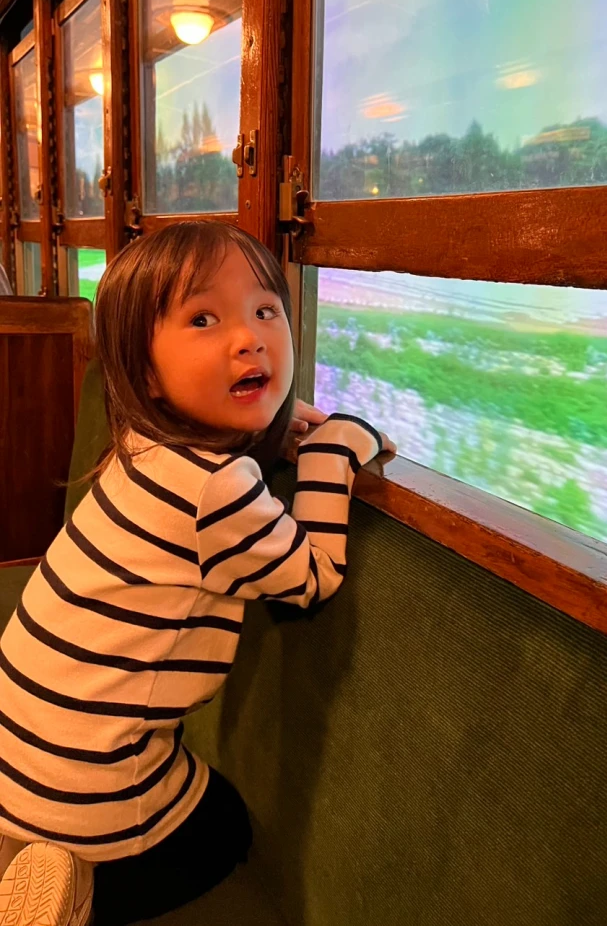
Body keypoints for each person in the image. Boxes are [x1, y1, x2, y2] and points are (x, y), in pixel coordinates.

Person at [0, 221, 394, 926]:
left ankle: (32, 855)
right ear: (146, 372)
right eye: (204, 319)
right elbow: (312, 576)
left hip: (20, 749)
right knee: (224, 830)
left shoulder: (142, 443)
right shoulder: (216, 488)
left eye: (265, 310)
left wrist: (268, 428)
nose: (249, 339)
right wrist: (334, 448)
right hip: (92, 785)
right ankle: (83, 893)